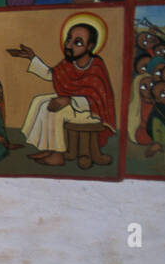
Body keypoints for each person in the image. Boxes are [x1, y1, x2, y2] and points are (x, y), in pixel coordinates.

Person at [7, 21, 116, 167]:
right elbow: (53, 75)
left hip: (91, 111)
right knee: (40, 101)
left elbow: (98, 98)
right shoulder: (69, 63)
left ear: (90, 46)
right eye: (69, 39)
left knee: (55, 111)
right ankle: (48, 149)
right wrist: (32, 58)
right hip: (74, 105)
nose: (69, 45)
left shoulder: (96, 66)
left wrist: (70, 100)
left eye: (77, 42)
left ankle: (57, 155)